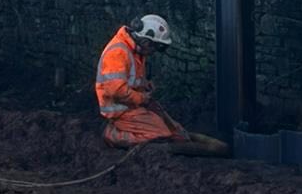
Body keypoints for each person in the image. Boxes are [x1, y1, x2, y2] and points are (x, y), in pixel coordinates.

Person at [95, 15, 228, 155]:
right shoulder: (118, 52)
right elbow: (116, 90)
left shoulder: (135, 51)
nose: (154, 52)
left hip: (134, 105)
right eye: (155, 47)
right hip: (121, 111)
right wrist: (141, 98)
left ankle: (177, 137)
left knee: (176, 133)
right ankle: (114, 135)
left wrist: (145, 86)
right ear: (147, 41)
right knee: (160, 134)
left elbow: (130, 80)